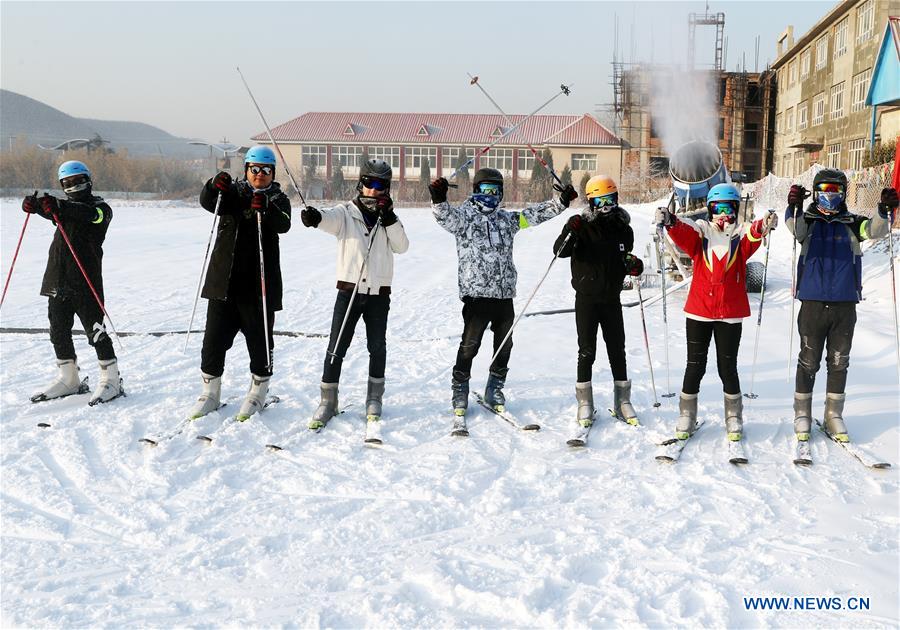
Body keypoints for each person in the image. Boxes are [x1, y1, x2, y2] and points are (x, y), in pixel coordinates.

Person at [429, 167, 577, 421]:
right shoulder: (464, 218)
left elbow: (532, 216)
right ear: (476, 191)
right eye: (485, 190)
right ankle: (460, 388)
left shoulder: (507, 221)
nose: (490, 195)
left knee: (504, 344)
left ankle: (495, 387)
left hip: (504, 294)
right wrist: (439, 198)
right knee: (469, 345)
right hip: (476, 295)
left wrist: (560, 203)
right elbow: (445, 217)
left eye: (495, 191)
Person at [654, 182, 777, 445]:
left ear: (736, 209)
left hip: (730, 313)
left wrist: (764, 223)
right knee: (694, 366)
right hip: (700, 311)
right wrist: (670, 221)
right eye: (718, 209)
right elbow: (683, 233)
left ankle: (734, 416)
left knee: (727, 367)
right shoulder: (702, 233)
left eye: (729, 209)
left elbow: (754, 235)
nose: (724, 215)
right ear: (710, 210)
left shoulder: (740, 235)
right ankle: (686, 415)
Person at [300, 158, 409, 437]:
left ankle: (374, 399)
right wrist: (314, 218)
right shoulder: (346, 213)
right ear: (361, 184)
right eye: (370, 183)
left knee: (377, 347)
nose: (375, 190)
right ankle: (328, 401)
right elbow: (328, 219)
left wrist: (390, 219)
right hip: (349, 292)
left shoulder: (390, 218)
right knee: (337, 346)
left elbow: (402, 246)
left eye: (381, 185)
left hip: (378, 295)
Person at [785, 169, 895, 443]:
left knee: (839, 361)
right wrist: (794, 205)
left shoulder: (852, 223)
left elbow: (875, 231)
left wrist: (884, 210)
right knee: (809, 359)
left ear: (843, 192)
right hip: (812, 302)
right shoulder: (808, 222)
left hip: (845, 304)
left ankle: (834, 414)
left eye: (835, 189)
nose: (830, 194)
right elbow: (794, 227)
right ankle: (802, 413)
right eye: (824, 189)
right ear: (816, 190)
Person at [188, 145, 291, 421]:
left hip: (259, 289)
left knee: (260, 342)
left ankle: (258, 391)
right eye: (254, 170)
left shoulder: (278, 198)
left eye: (266, 171)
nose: (260, 175)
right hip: (224, 284)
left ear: (272, 173)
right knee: (213, 341)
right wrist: (213, 186)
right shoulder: (232, 193)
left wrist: (266, 208)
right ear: (246, 169)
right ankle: (210, 392)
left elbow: (284, 224)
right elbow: (209, 202)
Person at [24, 160, 123, 406]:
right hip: (57, 278)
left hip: (85, 280)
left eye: (78, 180)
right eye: (67, 183)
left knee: (96, 332)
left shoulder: (100, 208)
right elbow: (55, 211)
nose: (74, 185)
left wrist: (58, 206)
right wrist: (35, 206)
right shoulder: (63, 209)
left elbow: (88, 214)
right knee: (58, 331)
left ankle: (111, 379)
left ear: (88, 180)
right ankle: (69, 378)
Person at [553, 175, 644, 431]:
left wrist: (635, 266)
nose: (606, 207)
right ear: (591, 203)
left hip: (611, 299)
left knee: (618, 349)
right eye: (600, 202)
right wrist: (571, 229)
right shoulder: (582, 226)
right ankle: (585, 401)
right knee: (587, 351)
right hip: (587, 299)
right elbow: (559, 252)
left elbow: (624, 259)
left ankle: (622, 400)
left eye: (611, 201)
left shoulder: (623, 228)